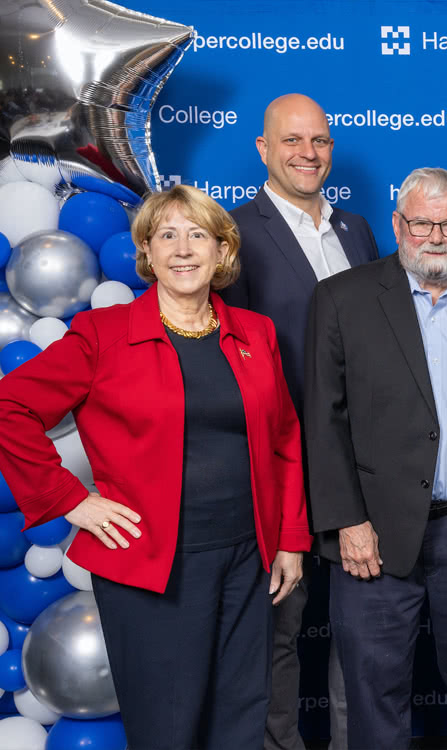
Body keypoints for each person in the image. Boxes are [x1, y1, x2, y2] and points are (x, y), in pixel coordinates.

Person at [0, 184, 310, 749]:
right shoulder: (102, 335)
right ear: (147, 251)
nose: (184, 248)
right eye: (167, 235)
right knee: (169, 727)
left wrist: (290, 538)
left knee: (242, 719)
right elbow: (10, 407)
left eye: (198, 235)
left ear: (222, 251)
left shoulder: (255, 333)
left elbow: (285, 440)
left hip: (249, 558)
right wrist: (73, 499)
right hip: (151, 567)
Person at [304, 167, 447, 750]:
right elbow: (323, 423)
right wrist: (346, 521)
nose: (435, 236)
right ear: (399, 225)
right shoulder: (342, 299)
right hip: (371, 535)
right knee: (374, 693)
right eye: (422, 223)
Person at [220, 92, 379, 750]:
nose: (308, 153)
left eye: (319, 141)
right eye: (293, 141)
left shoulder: (358, 231)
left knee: (364, 632)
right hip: (278, 465)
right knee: (277, 633)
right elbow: (231, 363)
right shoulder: (234, 232)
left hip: (360, 464)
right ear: (264, 149)